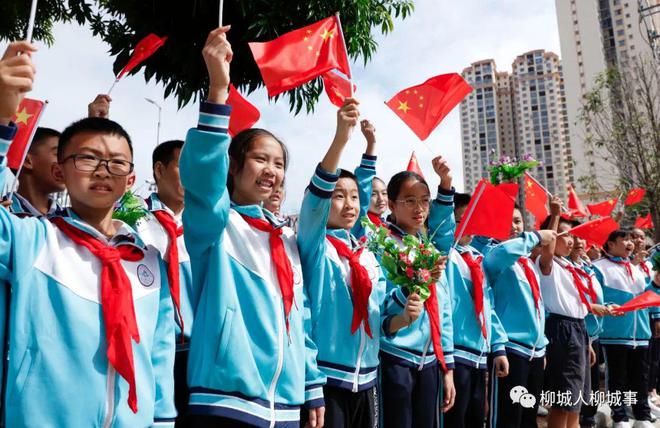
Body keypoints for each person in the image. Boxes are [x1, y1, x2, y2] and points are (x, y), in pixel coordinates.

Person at [0, 41, 176, 427]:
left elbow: (160, 353)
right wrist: (1, 121)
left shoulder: (146, 257)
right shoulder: (34, 240)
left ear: (131, 179)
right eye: (87, 159)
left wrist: (162, 419)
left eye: (116, 163)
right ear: (60, 172)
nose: (102, 170)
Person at [178, 27, 325, 427]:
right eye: (261, 159)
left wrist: (311, 383)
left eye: (279, 164)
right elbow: (202, 180)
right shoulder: (217, 224)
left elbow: (299, 316)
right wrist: (218, 90)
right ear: (234, 166)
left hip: (286, 405)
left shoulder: (286, 239)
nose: (271, 171)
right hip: (224, 401)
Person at [297, 98, 420, 427]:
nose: (349, 204)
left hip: (368, 379)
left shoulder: (366, 256)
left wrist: (405, 314)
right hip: (326, 378)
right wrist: (341, 139)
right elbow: (315, 203)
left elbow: (380, 319)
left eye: (354, 196)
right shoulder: (314, 245)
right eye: (339, 195)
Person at [379, 158, 456, 428]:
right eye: (409, 201)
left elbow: (443, 313)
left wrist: (447, 367)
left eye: (425, 201)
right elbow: (379, 303)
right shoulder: (383, 245)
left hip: (430, 361)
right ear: (391, 205)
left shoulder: (431, 250)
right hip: (395, 357)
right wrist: (413, 288)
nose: (419, 208)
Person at [129, 139, 195, 426]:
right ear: (159, 170)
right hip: (151, 347)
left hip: (196, 350)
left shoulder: (203, 224)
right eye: (184, 166)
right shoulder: (133, 216)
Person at [442, 192, 514, 428]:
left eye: (474, 220)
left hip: (479, 354)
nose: (471, 226)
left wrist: (498, 346)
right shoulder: (445, 255)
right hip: (455, 351)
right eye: (463, 220)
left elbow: (488, 306)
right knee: (454, 419)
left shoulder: (477, 259)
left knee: (475, 417)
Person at [482, 204, 553, 428]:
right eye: (508, 221)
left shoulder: (526, 263)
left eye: (518, 221)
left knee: (528, 417)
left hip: (534, 351)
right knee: (507, 417)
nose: (514, 226)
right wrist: (534, 237)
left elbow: (538, 306)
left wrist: (541, 344)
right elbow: (490, 307)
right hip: (510, 348)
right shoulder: (493, 254)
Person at [537, 203, 595, 428]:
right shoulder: (547, 263)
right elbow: (547, 250)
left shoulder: (570, 266)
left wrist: (587, 341)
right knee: (563, 401)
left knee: (576, 400)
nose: (570, 240)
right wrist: (555, 215)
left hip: (578, 329)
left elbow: (578, 305)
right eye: (563, 235)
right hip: (561, 329)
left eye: (572, 235)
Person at [595, 230, 658, 427]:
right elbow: (595, 298)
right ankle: (619, 417)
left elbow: (649, 295)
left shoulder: (637, 268)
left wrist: (656, 283)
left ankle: (642, 416)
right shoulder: (599, 267)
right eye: (624, 239)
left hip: (641, 334)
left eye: (631, 239)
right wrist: (609, 306)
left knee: (640, 377)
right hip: (615, 333)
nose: (630, 243)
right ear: (610, 244)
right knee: (617, 378)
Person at [8, 126, 65, 217]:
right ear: (27, 161)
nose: (67, 163)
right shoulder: (5, 215)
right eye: (58, 154)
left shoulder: (72, 219)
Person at [359, 120, 387, 228]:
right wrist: (371, 143)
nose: (381, 199)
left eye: (384, 193)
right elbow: (363, 181)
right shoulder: (361, 223)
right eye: (373, 194)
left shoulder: (390, 227)